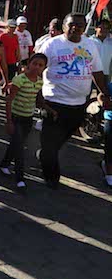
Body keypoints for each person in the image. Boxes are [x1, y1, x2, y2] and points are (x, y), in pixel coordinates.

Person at [38, 13, 111, 189]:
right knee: (50, 146)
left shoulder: (90, 45)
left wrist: (104, 93)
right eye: (71, 24)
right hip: (53, 103)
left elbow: (97, 72)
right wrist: (37, 96)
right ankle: (52, 177)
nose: (75, 28)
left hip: (78, 105)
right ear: (64, 26)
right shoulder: (52, 45)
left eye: (80, 25)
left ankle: (45, 154)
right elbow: (37, 69)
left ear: (84, 27)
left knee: (56, 143)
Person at [0, 53, 47, 192]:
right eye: (34, 63)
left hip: (28, 118)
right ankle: (20, 178)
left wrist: (50, 110)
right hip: (16, 117)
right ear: (29, 64)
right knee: (20, 148)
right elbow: (9, 100)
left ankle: (4, 164)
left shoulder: (40, 82)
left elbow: (38, 99)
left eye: (40, 65)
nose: (37, 67)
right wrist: (9, 121)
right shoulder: (20, 79)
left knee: (16, 144)